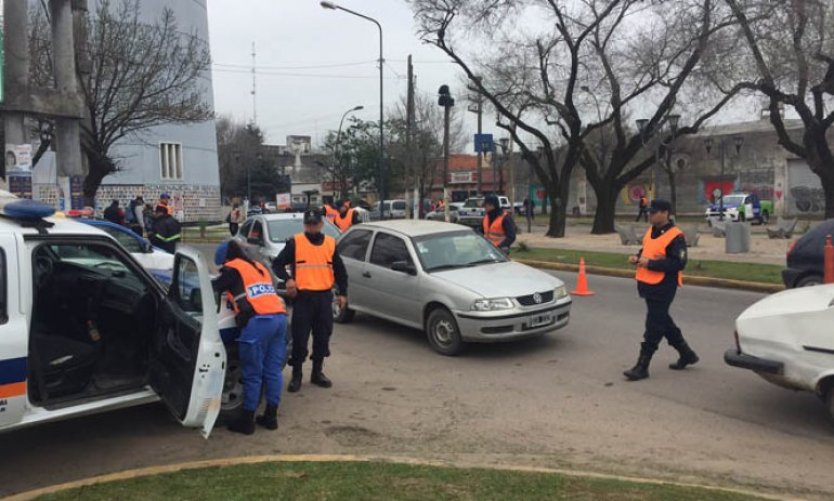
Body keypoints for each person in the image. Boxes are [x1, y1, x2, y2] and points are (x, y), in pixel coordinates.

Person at [213, 240, 287, 435]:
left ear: (225, 259)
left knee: (252, 373)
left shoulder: (231, 269)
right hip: (279, 319)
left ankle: (247, 421)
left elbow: (213, 287)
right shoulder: (258, 267)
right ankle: (271, 417)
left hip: (259, 323)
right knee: (272, 371)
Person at [272, 209, 348, 393]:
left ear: (321, 224)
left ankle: (317, 372)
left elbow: (340, 271)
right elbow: (277, 264)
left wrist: (343, 293)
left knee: (323, 337)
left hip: (323, 297)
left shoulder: (330, 243)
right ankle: (297, 374)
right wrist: (288, 279)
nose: (312, 227)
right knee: (300, 338)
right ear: (305, 225)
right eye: (309, 224)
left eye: (315, 224)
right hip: (303, 298)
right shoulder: (295, 242)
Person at [624, 199, 698, 381]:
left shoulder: (676, 236)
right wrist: (638, 257)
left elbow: (678, 263)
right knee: (663, 321)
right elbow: (648, 249)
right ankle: (686, 353)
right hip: (647, 283)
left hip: (664, 285)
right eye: (649, 211)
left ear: (665, 213)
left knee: (654, 325)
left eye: (654, 212)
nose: (650, 215)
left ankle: (642, 365)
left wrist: (650, 263)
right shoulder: (651, 231)